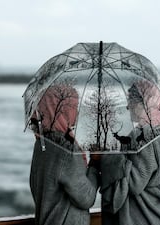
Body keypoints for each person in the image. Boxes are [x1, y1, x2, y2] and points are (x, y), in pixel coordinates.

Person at [97, 79, 160, 225]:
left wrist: (106, 158)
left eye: (132, 102)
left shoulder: (143, 136)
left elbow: (130, 184)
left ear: (145, 103)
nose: (128, 107)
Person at [29, 84, 100, 225]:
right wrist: (94, 164)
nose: (77, 112)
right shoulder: (67, 149)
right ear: (62, 109)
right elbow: (86, 197)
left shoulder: (41, 144)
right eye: (73, 107)